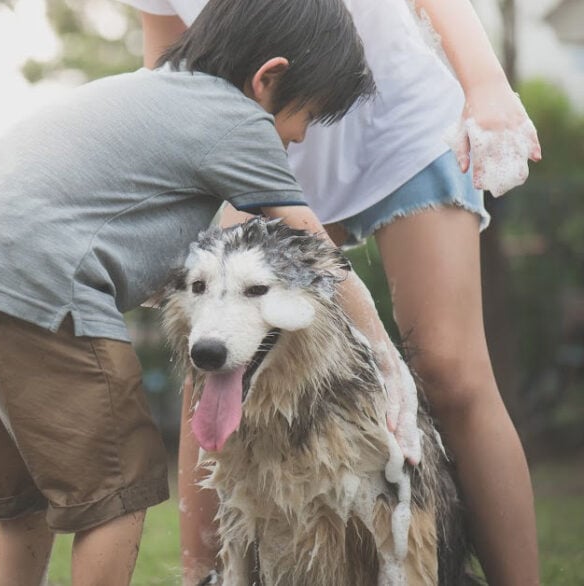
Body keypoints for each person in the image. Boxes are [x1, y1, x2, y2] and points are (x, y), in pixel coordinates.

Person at [0, 0, 380, 583]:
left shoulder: (151, 93)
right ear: (268, 77)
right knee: (121, 487)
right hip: (48, 282)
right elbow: (319, 254)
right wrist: (383, 366)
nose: (295, 138)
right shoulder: (237, 119)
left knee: (27, 495)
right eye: (308, 115)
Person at [117, 0, 543, 584]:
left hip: (402, 124)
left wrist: (487, 84)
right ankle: (204, 577)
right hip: (260, 137)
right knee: (218, 355)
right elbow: (171, 69)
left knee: (450, 369)